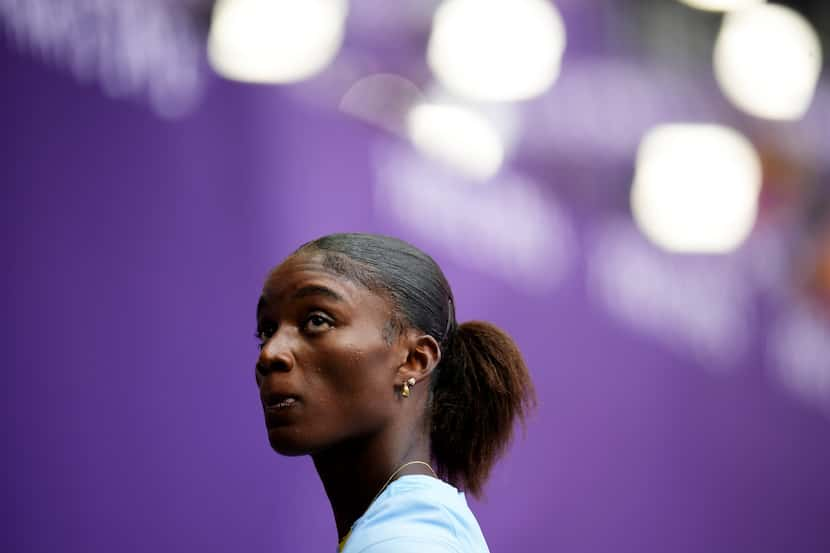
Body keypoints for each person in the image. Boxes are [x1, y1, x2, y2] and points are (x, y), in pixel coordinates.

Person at [254, 233, 535, 552]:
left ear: (415, 360)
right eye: (266, 331)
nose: (269, 353)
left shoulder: (408, 541)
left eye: (317, 320)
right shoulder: (405, 531)